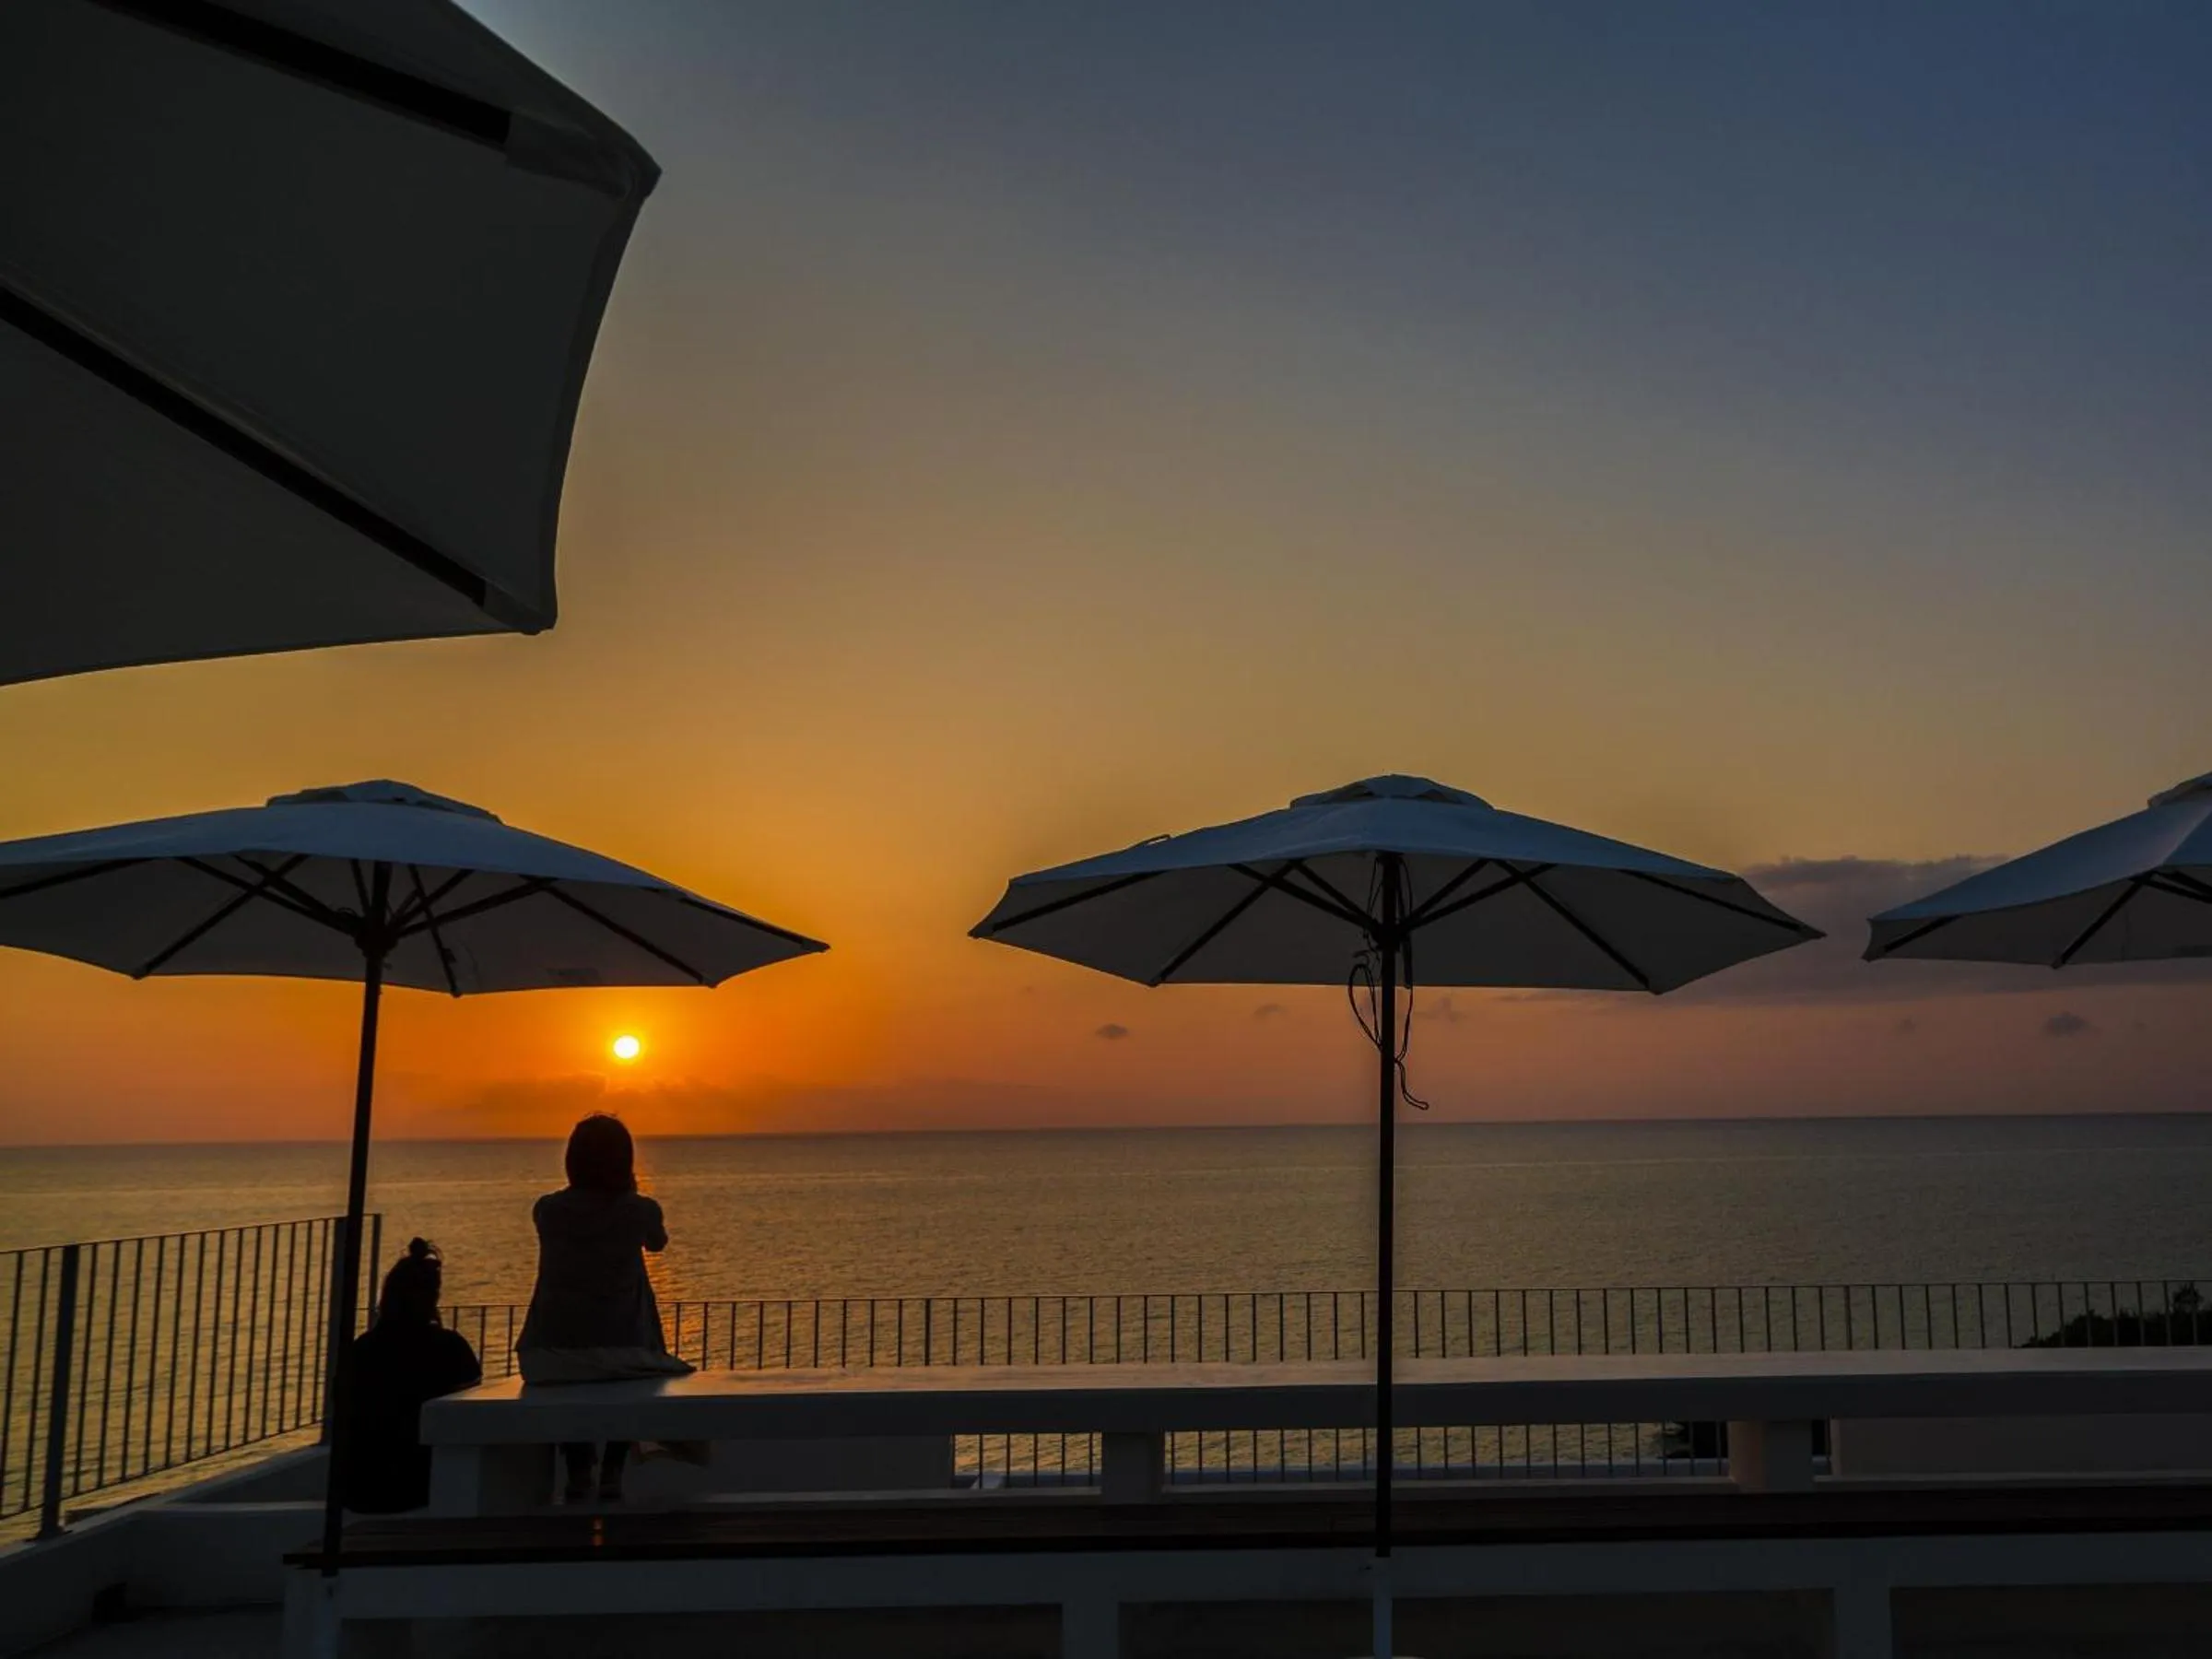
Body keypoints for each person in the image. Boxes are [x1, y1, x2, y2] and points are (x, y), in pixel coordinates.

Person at [516, 1112, 691, 1503]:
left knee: (572, 1380)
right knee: (640, 1366)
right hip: (623, 1348)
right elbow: (657, 1242)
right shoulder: (639, 1209)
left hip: (548, 1352)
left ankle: (579, 1468)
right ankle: (613, 1468)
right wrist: (630, 1192)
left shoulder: (547, 1209)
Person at [336, 1239, 481, 1514]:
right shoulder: (449, 1347)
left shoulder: (362, 1349)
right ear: (433, 1297)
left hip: (359, 1489)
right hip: (418, 1487)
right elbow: (472, 1416)